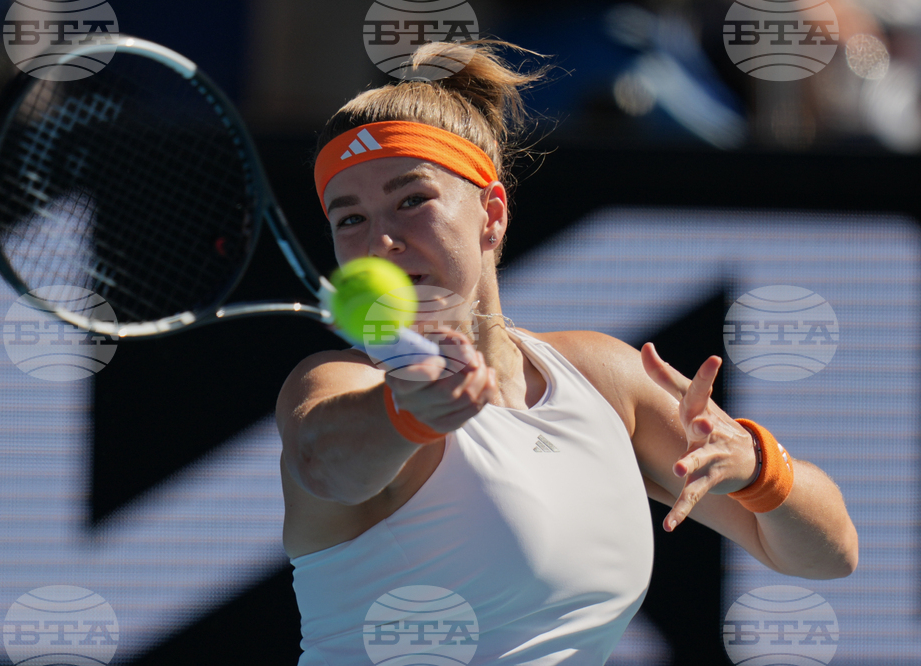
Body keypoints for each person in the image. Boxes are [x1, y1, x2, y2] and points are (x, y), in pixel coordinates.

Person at [276, 40, 858, 665]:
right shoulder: (339, 383)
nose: (381, 241)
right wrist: (405, 411)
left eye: (411, 200)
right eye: (350, 219)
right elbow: (323, 464)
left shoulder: (602, 377)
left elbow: (831, 555)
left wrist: (756, 464)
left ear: (491, 215)